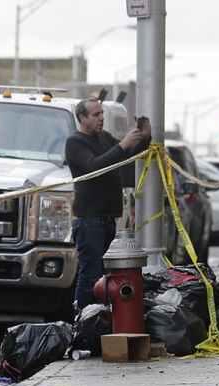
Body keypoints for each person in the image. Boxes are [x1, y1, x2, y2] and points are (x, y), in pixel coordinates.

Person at [65, 99, 150, 311]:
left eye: (102, 113)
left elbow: (126, 156)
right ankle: (83, 319)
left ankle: (101, 320)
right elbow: (94, 166)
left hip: (108, 219)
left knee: (106, 276)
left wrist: (144, 138)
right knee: (91, 275)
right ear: (82, 118)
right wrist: (123, 144)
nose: (101, 118)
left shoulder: (104, 137)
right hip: (89, 221)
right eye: (95, 115)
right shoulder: (75, 142)